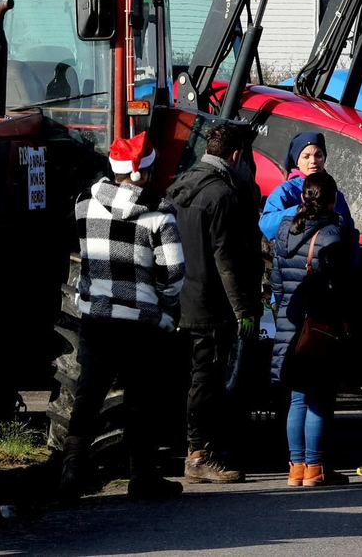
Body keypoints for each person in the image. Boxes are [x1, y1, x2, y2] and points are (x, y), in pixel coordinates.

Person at [60, 133, 185, 501]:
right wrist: (163, 304)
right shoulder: (160, 215)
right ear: (142, 173)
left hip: (96, 318)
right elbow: (174, 273)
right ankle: (142, 476)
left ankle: (71, 472)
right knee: (140, 400)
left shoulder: (85, 204)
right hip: (140, 323)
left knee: (88, 394)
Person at [163, 121, 263, 484]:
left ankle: (187, 448)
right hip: (209, 304)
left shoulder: (178, 186)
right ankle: (199, 456)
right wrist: (245, 311)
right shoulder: (223, 195)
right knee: (207, 380)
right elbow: (228, 259)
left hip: (177, 299)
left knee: (187, 378)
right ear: (236, 155)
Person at [272, 171, 359, 487]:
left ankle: (296, 468)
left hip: (290, 320)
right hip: (320, 325)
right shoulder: (333, 235)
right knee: (320, 397)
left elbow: (277, 283)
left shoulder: (284, 230)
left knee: (297, 397)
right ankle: (316, 467)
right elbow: (344, 286)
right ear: (333, 200)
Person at [258, 132, 354, 240]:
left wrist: (352, 255)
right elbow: (266, 225)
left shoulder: (334, 192)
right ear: (297, 161)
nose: (313, 161)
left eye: (318, 155)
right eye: (306, 157)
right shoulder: (286, 191)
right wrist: (299, 210)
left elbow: (350, 232)